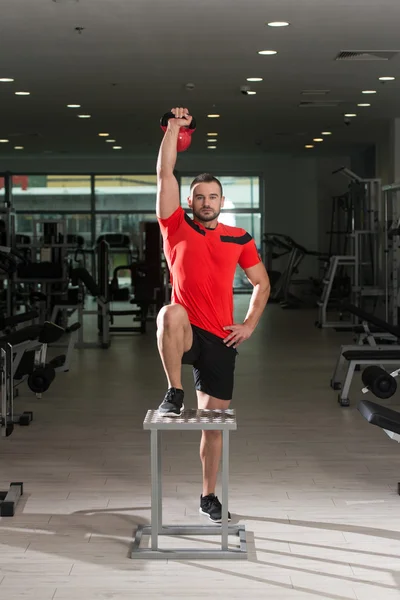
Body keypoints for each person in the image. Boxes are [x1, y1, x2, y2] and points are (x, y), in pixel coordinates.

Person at [155, 107, 270, 523]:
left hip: (221, 338)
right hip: (187, 333)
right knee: (170, 312)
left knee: (214, 426)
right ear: (190, 201)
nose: (206, 202)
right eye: (199, 197)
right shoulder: (175, 227)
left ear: (222, 201)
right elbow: (165, 174)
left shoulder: (239, 237)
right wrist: (173, 129)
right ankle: (174, 390)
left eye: (213, 197)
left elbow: (262, 283)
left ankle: (208, 496)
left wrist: (250, 324)